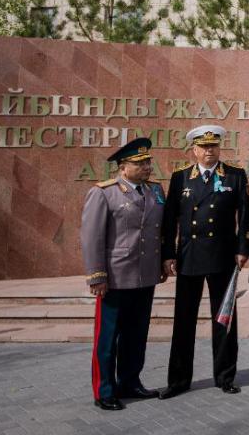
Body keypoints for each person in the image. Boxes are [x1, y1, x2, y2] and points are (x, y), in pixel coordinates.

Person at [159, 125, 249, 399]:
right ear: (194, 150)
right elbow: (169, 220)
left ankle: (225, 376)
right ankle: (178, 380)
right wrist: (168, 253)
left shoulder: (235, 176)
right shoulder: (180, 178)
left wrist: (243, 248)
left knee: (224, 317)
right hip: (189, 255)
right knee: (183, 320)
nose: (209, 151)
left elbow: (245, 216)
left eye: (213, 146)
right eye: (203, 147)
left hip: (223, 255)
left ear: (219, 148)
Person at [80, 137, 166, 411]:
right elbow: (92, 236)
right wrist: (97, 275)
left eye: (148, 162)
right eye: (140, 163)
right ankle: (104, 390)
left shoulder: (155, 191)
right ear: (123, 167)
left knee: (136, 333)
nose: (147, 167)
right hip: (115, 277)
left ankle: (130, 381)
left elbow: (158, 231)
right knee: (108, 337)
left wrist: (163, 262)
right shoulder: (104, 192)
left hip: (144, 275)